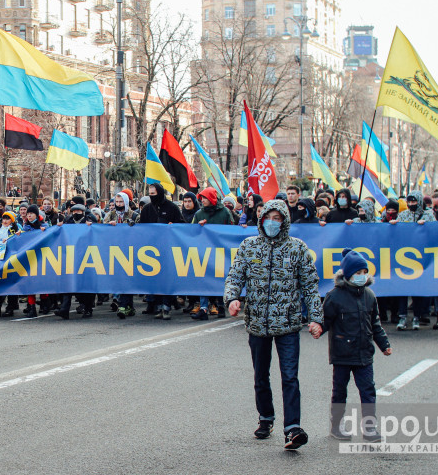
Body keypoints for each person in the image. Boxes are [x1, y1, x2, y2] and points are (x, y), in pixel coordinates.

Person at [224, 199, 322, 450]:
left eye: (278, 218)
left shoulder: (297, 249)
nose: (272, 222)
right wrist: (232, 298)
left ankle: (293, 428)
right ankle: (266, 418)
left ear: (285, 221)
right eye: (269, 217)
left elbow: (310, 287)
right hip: (257, 323)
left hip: (288, 324)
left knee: (290, 377)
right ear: (261, 219)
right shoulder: (249, 247)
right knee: (261, 376)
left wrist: (316, 318)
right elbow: (235, 276)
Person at [322, 249, 391, 442]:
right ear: (348, 274)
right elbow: (325, 319)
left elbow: (375, 323)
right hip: (342, 353)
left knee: (368, 390)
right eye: (357, 273)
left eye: (364, 273)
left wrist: (383, 344)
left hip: (364, 353)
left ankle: (369, 428)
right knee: (340, 391)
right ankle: (336, 425)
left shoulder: (369, 295)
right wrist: (318, 328)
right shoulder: (334, 296)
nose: (361, 277)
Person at [137, 183, 184, 319]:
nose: (152, 197)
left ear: (160, 193)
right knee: (155, 279)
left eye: (154, 194)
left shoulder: (172, 207)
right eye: (150, 194)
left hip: (168, 249)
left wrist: (174, 226)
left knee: (167, 278)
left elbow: (182, 225)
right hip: (152, 251)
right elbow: (141, 228)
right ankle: (158, 307)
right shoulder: (147, 209)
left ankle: (167, 306)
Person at [390, 191, 435, 331]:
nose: (411, 205)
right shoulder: (403, 215)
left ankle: (417, 317)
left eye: (414, 202)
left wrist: (426, 225)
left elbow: (436, 230)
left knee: (417, 289)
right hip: (404, 256)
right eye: (409, 202)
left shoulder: (428, 215)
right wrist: (393, 225)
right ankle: (402, 316)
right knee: (403, 288)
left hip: (420, 257)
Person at [191, 187, 232, 320]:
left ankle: (221, 305)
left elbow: (232, 229)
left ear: (212, 198)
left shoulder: (225, 212)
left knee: (220, 279)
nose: (202, 200)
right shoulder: (199, 214)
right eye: (201, 198)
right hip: (204, 252)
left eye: (205, 197)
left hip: (220, 252)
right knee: (204, 279)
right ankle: (203, 308)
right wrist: (198, 226)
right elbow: (190, 231)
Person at [102, 192, 138, 319]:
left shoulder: (134, 215)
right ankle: (126, 306)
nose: (118, 205)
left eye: (121, 202)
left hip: (130, 252)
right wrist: (109, 226)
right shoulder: (109, 215)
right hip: (115, 251)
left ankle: (126, 305)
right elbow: (102, 229)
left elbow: (141, 231)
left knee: (128, 279)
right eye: (117, 202)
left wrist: (133, 226)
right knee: (120, 279)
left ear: (126, 202)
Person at [0, 212, 21, 318]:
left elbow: (19, 238)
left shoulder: (14, 229)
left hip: (11, 259)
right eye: (4, 219)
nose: (5, 221)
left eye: (8, 219)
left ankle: (10, 307)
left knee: (10, 283)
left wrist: (11, 238)